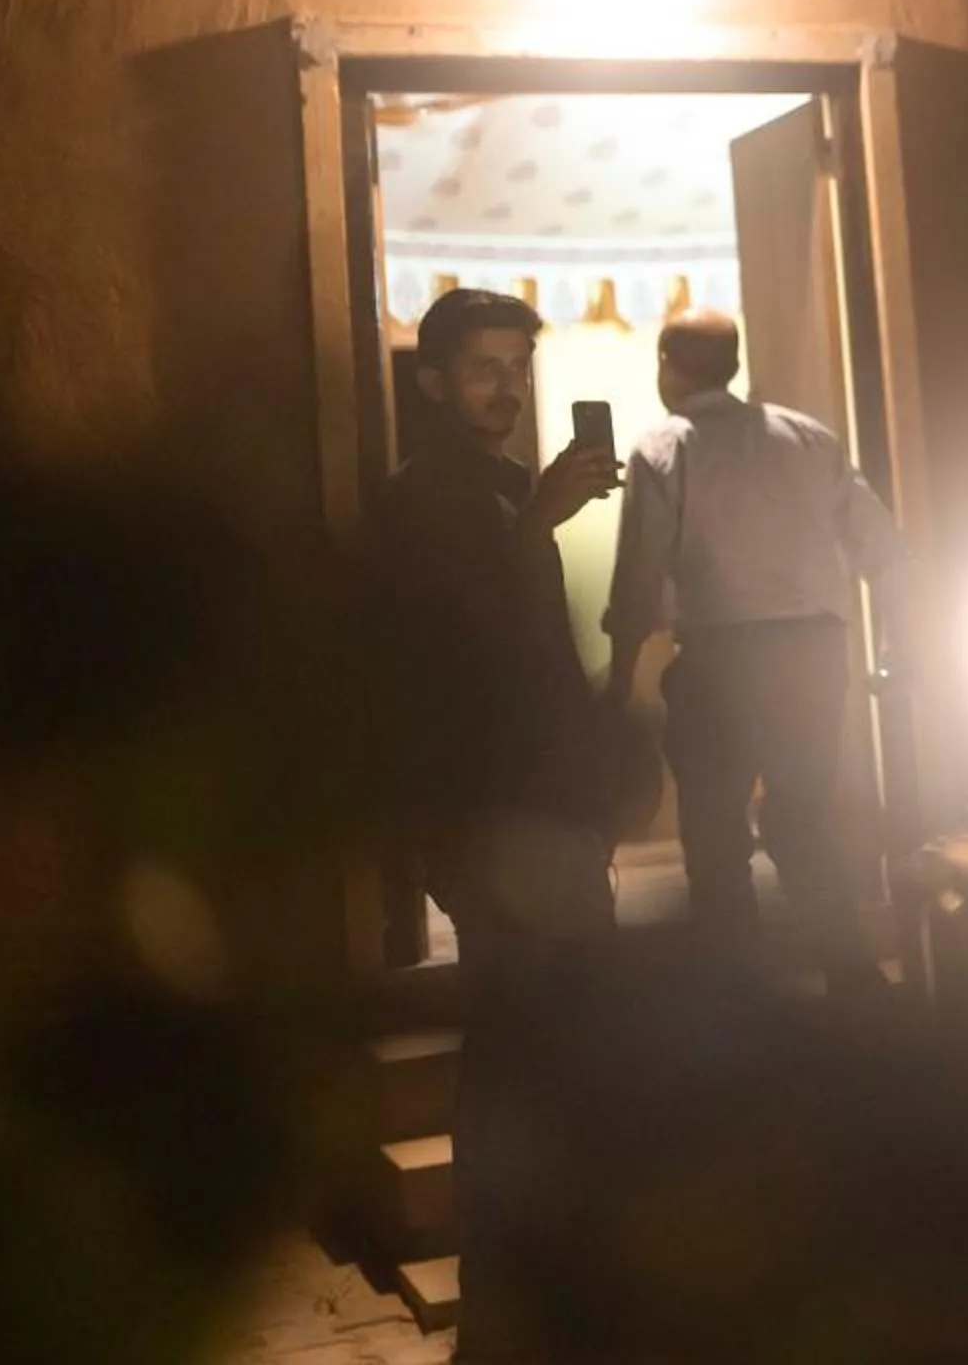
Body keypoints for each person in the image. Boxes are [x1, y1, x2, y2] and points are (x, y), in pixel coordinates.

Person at [367, 287, 620, 1362]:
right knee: (518, 1061)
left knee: (563, 1054)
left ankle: (557, 1289)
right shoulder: (419, 499)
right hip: (493, 821)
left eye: (518, 366)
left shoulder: (508, 490)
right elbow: (464, 649)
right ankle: (506, 1310)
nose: (507, 386)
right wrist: (536, 521)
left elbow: (540, 661)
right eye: (484, 368)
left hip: (551, 814)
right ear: (432, 382)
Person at [602, 310, 906, 987]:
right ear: (734, 363)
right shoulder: (807, 436)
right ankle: (853, 976)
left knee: (714, 831)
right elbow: (883, 551)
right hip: (811, 654)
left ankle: (737, 986)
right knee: (803, 819)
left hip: (721, 660)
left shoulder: (663, 449)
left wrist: (620, 683)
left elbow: (638, 581)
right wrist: (897, 645)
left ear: (666, 365)